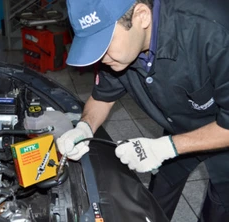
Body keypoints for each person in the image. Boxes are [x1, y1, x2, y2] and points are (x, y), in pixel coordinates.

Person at [56, 0, 229, 221]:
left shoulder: (215, 33)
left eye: (104, 44)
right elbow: (102, 97)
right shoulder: (121, 48)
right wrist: (84, 127)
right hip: (180, 123)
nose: (101, 57)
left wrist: (167, 147)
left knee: (219, 208)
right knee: (157, 193)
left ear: (142, 16)